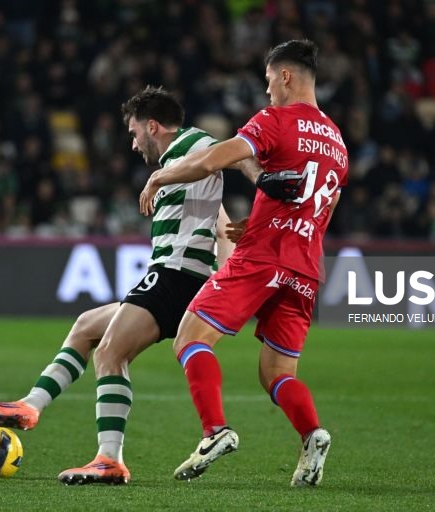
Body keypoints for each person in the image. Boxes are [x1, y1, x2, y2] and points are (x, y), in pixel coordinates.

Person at [0, 86, 290, 485]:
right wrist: (224, 277)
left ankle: (108, 459)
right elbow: (222, 225)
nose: (134, 143)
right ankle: (31, 406)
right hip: (183, 279)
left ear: (152, 125)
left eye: (135, 132)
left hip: (176, 276)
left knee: (110, 354)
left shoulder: (192, 143)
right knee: (87, 326)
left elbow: (233, 153)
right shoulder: (191, 168)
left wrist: (260, 180)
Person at [138, 39, 348, 487]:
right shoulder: (337, 142)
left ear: (286, 77)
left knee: (191, 336)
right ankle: (313, 435)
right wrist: (261, 220)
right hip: (306, 266)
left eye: (270, 80)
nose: (268, 89)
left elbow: (218, 158)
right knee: (276, 372)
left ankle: (215, 431)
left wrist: (162, 174)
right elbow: (321, 206)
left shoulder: (275, 119)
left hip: (262, 258)